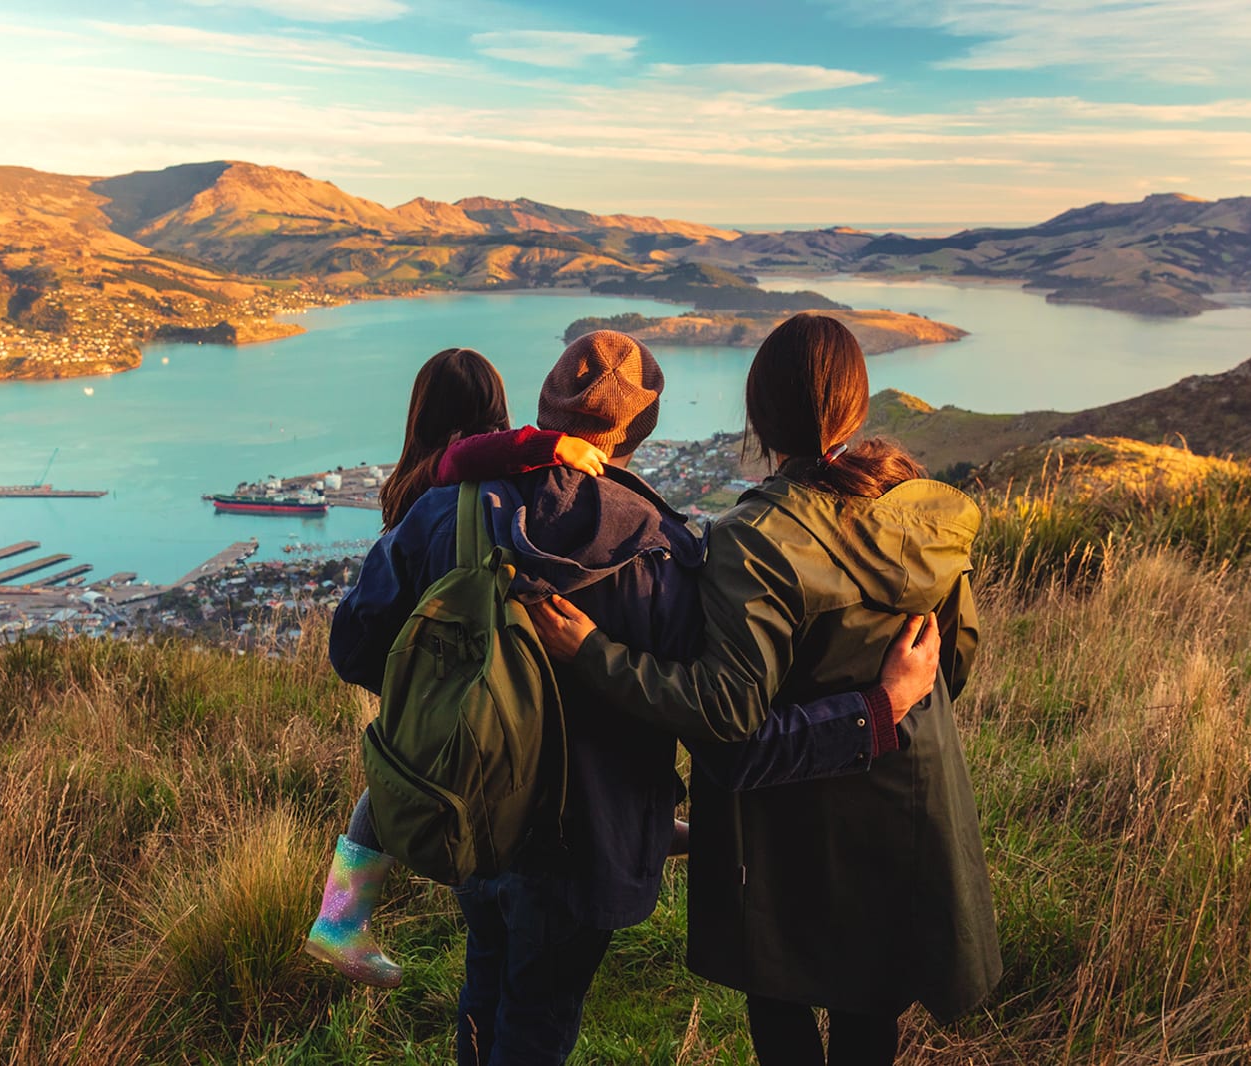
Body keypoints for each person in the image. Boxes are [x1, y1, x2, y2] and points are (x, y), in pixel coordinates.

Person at [321, 330, 947, 1066]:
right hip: (586, 850)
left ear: (545, 409)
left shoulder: (446, 511)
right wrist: (877, 709)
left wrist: (456, 700)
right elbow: (725, 730)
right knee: (536, 1018)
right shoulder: (669, 552)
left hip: (468, 816)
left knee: (486, 984)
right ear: (641, 430)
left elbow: (354, 648)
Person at [532, 313, 1002, 1066]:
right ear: (854, 404)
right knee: (870, 1010)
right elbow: (958, 657)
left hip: (783, 823)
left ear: (758, 415)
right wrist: (891, 704)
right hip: (900, 798)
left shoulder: (755, 539)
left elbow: (723, 711)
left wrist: (592, 652)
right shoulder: (924, 514)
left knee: (781, 1012)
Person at [305, 345, 611, 985]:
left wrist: (410, 684)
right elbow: (471, 453)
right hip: (530, 718)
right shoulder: (530, 499)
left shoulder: (421, 503)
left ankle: (341, 921)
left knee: (391, 775)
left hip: (443, 713)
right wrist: (552, 446)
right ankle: (669, 831)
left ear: (423, 418)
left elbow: (354, 642)